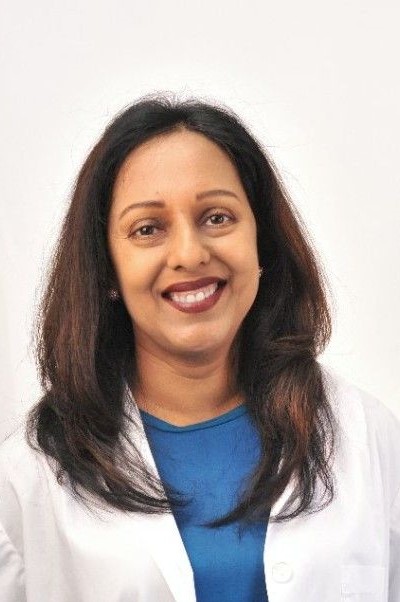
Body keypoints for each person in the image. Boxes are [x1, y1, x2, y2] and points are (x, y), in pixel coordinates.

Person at [0, 95, 399, 602]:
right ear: (107, 270)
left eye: (217, 217)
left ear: (262, 242)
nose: (189, 254)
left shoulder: (365, 436)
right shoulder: (28, 477)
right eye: (148, 229)